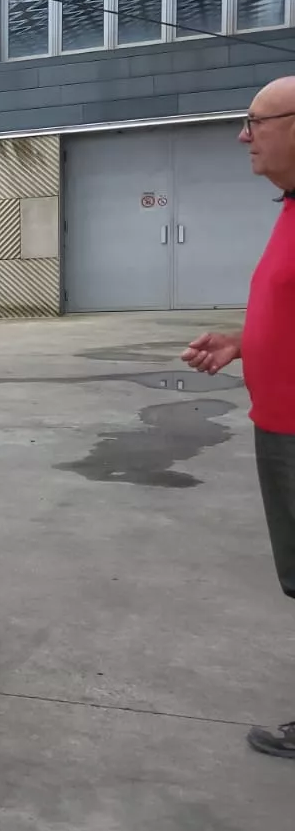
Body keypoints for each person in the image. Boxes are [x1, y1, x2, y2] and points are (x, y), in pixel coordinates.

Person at [181, 76, 295, 760]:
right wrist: (243, 342)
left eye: (255, 122)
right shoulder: (289, 209)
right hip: (278, 421)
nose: (242, 135)